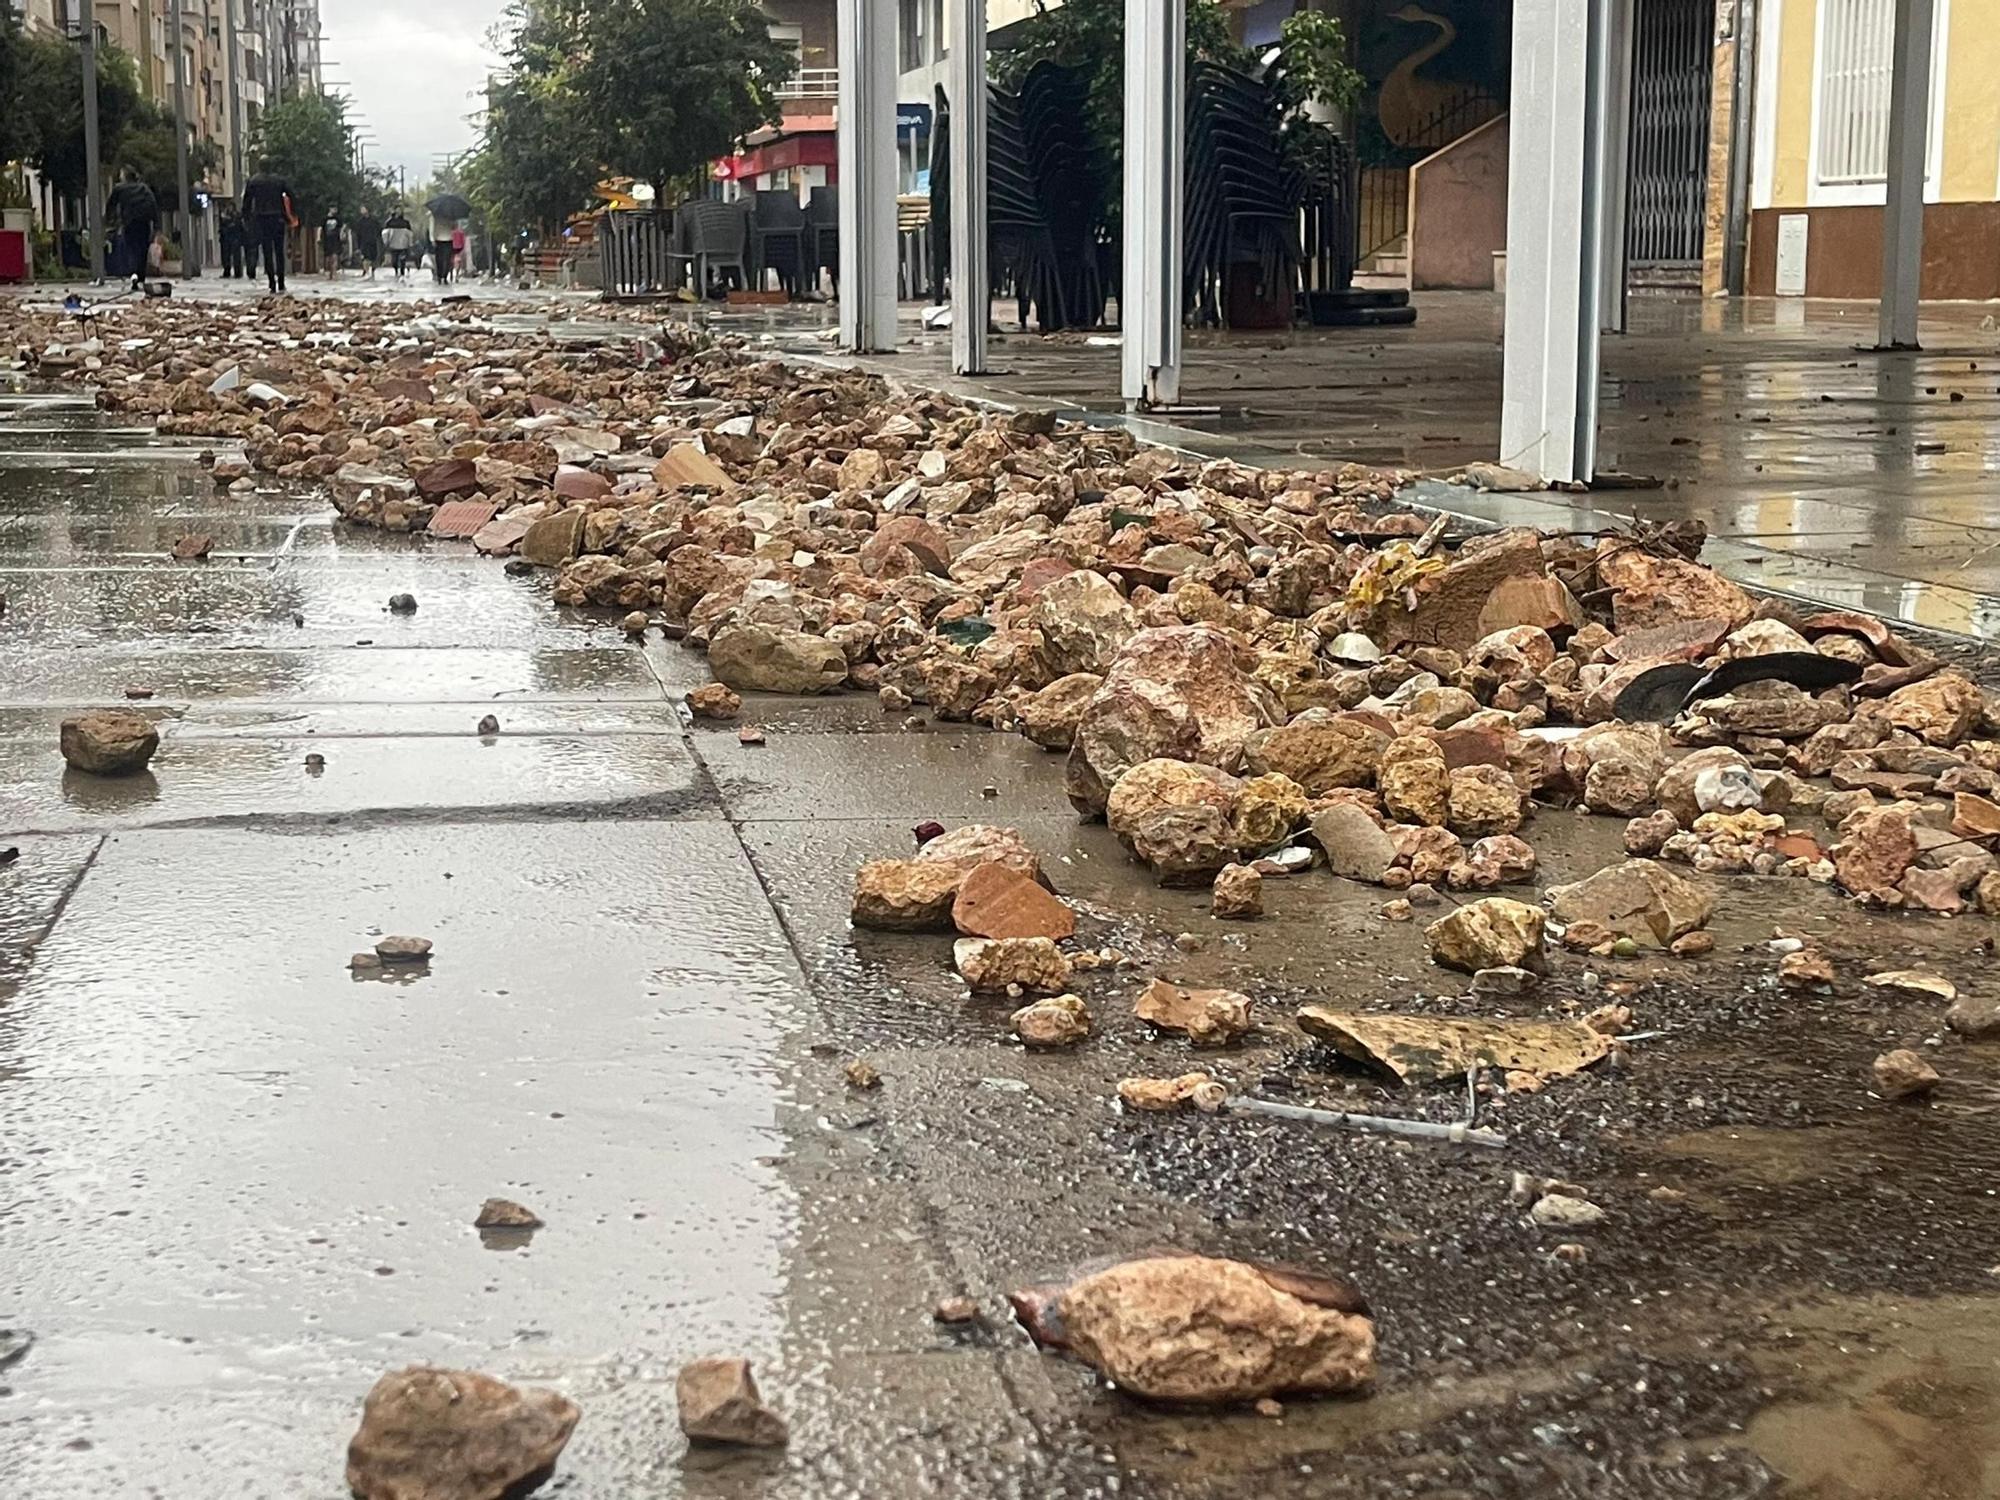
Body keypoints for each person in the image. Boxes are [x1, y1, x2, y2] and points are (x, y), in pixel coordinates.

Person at [241, 163, 294, 293]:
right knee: (279, 251)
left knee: (267, 251)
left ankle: (272, 282)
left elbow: (247, 202)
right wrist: (292, 214)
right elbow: (291, 195)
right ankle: (281, 281)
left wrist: (246, 218)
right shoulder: (279, 181)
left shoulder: (254, 181)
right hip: (278, 218)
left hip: (262, 219)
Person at [105, 168, 158, 287]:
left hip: (129, 223)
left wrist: (109, 221)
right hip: (144, 223)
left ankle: (134, 273)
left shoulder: (119, 189)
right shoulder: (144, 189)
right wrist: (156, 225)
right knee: (142, 250)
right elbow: (153, 205)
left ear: (124, 177)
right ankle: (140, 276)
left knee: (131, 249)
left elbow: (110, 205)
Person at [382, 209, 415, 278]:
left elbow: (409, 234)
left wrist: (410, 243)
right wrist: (386, 241)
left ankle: (402, 272)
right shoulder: (389, 222)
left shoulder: (405, 222)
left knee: (402, 259)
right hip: (393, 244)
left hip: (403, 244)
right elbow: (385, 233)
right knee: (394, 260)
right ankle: (396, 270)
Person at [429, 209, 456, 285]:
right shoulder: (434, 216)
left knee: (446, 260)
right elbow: (432, 227)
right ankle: (440, 276)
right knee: (440, 260)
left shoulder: (450, 216)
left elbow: (453, 227)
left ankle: (443, 276)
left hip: (447, 239)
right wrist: (432, 239)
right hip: (440, 239)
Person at [218, 205, 244, 280]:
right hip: (227, 238)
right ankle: (228, 271)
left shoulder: (236, 216)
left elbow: (239, 227)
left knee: (235, 256)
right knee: (226, 256)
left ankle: (237, 272)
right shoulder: (223, 215)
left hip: (234, 238)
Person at [354, 207, 382, 279]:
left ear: (367, 210)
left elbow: (379, 230)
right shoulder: (360, 221)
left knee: (373, 258)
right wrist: (358, 245)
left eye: (363, 209)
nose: (362, 211)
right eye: (361, 210)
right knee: (365, 258)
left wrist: (378, 238)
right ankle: (367, 272)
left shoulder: (374, 220)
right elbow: (358, 233)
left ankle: (372, 272)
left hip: (373, 242)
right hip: (364, 242)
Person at [320, 214, 342, 279]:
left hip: (335, 241)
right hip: (327, 241)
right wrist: (319, 237)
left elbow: (341, 228)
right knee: (328, 258)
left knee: (335, 257)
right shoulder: (325, 219)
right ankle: (329, 273)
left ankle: (334, 273)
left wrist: (341, 236)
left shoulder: (338, 218)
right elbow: (320, 228)